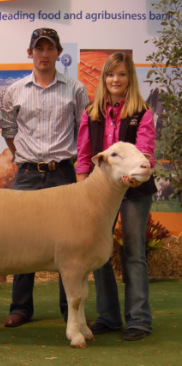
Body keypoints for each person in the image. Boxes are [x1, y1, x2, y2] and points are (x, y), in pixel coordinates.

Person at [1, 28, 89, 327]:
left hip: (63, 172)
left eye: (49, 48)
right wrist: (22, 154)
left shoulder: (75, 89)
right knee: (22, 240)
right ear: (30, 53)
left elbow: (83, 128)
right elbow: (8, 129)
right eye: (38, 48)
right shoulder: (15, 90)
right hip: (27, 173)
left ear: (58, 53)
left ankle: (70, 311)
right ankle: (21, 308)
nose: (44, 53)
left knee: (70, 244)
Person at [76, 52, 157, 341]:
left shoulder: (142, 112)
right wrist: (82, 192)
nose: (115, 80)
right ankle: (108, 316)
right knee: (98, 254)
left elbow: (146, 155)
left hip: (135, 192)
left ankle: (139, 320)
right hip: (100, 195)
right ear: (104, 78)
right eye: (111, 74)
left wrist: (132, 176)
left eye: (122, 74)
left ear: (129, 78)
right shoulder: (91, 112)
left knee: (134, 253)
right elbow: (84, 156)